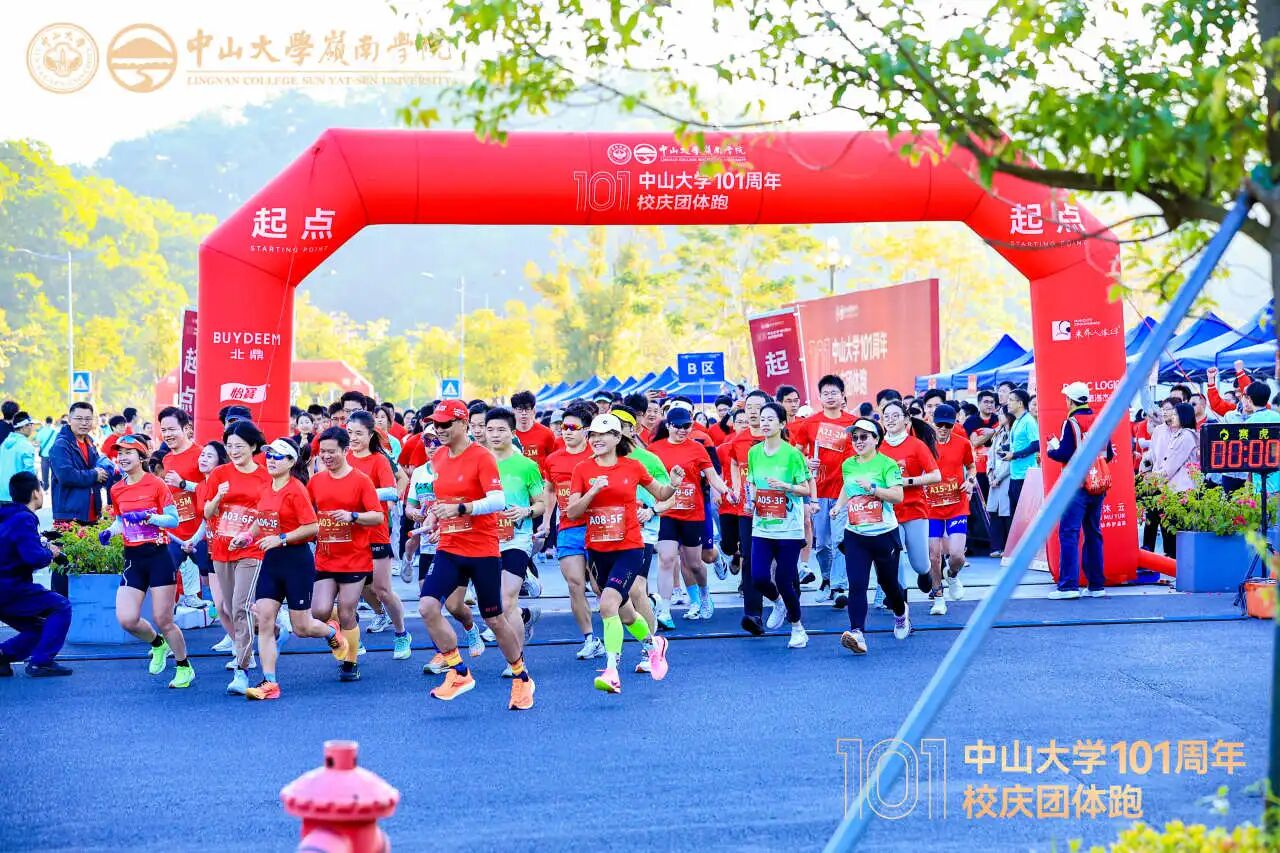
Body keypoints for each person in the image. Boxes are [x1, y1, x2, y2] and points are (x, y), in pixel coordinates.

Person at [419, 399, 534, 709]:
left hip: (482, 550)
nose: (439, 430)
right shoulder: (439, 457)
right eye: (435, 424)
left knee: (494, 618)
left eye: (445, 424)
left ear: (463, 424)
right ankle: (458, 672)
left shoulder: (482, 456)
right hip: (449, 547)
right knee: (428, 606)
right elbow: (443, 500)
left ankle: (522, 676)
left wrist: (462, 508)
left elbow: (497, 501)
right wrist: (433, 518)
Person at [566, 413, 675, 693]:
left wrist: (673, 483)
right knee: (625, 614)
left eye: (604, 434)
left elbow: (662, 493)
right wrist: (592, 491)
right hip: (598, 550)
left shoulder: (633, 466)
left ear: (617, 437)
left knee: (607, 605)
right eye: (593, 435)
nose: (597, 439)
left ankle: (612, 671)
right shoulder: (582, 469)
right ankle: (654, 644)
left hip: (629, 547)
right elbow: (572, 512)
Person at [236, 438, 348, 700]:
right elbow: (261, 518)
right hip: (271, 561)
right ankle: (270, 682)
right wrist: (247, 535)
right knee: (264, 620)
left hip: (296, 560)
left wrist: (282, 538)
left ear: (291, 461)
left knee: (302, 627)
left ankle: (331, 631)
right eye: (269, 455)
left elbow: (313, 527)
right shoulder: (266, 487)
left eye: (277, 456)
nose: (271, 460)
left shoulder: (296, 489)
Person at [103, 434, 194, 688]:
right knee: (127, 619)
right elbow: (121, 521)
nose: (122, 457)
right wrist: (110, 531)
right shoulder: (116, 489)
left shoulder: (156, 484)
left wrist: (150, 518)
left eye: (128, 452)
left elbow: (173, 520)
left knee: (163, 620)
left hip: (158, 557)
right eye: (119, 453)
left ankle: (184, 666)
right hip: (133, 558)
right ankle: (157, 643)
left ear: (141, 457)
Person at [308, 426, 385, 683]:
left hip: (354, 559)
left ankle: (350, 663)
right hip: (326, 557)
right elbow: (306, 511)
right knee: (319, 612)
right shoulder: (316, 481)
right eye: (322, 452)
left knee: (346, 611)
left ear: (345, 450)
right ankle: (336, 632)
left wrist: (352, 516)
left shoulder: (361, 480)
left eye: (332, 451)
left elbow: (377, 516)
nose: (326, 456)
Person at [202, 420, 273, 694]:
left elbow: (268, 513)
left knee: (240, 606)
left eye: (239, 446)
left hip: (251, 549)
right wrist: (218, 497)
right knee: (232, 608)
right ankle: (270, 629)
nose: (234, 451)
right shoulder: (219, 474)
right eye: (229, 446)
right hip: (222, 548)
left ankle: (241, 670)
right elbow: (207, 513)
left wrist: (249, 533)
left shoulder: (265, 476)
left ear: (253, 446)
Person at [829, 418, 911, 655]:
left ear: (876, 439)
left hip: (884, 533)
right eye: (854, 437)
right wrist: (838, 506)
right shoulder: (848, 464)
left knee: (888, 583)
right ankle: (857, 633)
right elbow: (847, 487)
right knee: (857, 584)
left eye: (864, 436)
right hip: (855, 533)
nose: (858, 441)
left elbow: (898, 496)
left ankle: (901, 613)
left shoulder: (887, 464)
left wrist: (873, 489)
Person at [649, 404, 736, 621]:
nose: (682, 430)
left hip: (692, 513)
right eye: (677, 426)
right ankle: (665, 610)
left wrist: (726, 491)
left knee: (695, 564)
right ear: (668, 426)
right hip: (667, 512)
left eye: (687, 426)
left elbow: (712, 476)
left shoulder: (697, 448)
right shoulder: (655, 449)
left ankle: (705, 594)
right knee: (666, 559)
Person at [746, 402, 814, 648]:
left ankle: (798, 628)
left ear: (782, 424)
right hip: (762, 525)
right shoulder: (754, 453)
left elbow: (805, 489)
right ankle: (778, 603)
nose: (764, 423)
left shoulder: (792, 455)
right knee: (758, 577)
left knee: (785, 580)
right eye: (762, 419)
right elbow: (752, 482)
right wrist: (751, 499)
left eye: (770, 419)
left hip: (789, 528)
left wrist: (785, 487)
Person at [540, 403, 605, 658]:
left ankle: (617, 630)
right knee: (575, 584)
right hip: (568, 528)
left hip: (597, 526)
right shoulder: (553, 459)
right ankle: (590, 639)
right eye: (562, 427)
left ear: (586, 430)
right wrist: (547, 521)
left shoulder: (598, 456)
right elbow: (549, 490)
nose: (565, 432)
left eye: (571, 427)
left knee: (600, 587)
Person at [345, 411, 411, 659]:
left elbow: (392, 491)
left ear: (371, 435)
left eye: (358, 433)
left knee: (382, 589)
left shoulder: (379, 460)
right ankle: (355, 641)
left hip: (375, 531)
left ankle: (402, 633)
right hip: (349, 534)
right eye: (349, 433)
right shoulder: (344, 458)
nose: (353, 438)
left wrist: (362, 494)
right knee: (356, 588)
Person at [484, 407, 546, 664]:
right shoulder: (478, 461)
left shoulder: (526, 466)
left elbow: (541, 503)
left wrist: (526, 511)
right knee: (492, 606)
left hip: (516, 539)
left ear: (512, 432)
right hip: (484, 539)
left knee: (507, 600)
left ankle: (517, 662)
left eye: (501, 430)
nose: (495, 434)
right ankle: (525, 617)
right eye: (490, 429)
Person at [789, 374, 856, 605]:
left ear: (843, 395)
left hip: (844, 491)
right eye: (825, 393)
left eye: (834, 392)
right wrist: (807, 461)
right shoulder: (810, 423)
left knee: (840, 540)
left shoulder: (853, 423)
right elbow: (796, 454)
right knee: (823, 543)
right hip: (817, 492)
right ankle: (826, 579)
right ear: (819, 397)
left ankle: (839, 586)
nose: (830, 397)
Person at [0, 472, 73, 677]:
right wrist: (51, 553)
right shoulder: (24, 518)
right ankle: (42, 663)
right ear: (35, 493)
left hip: (7, 588)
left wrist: (43, 546)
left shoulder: (8, 516)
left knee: (41, 628)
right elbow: (33, 558)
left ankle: (2, 655)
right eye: (40, 489)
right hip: (10, 588)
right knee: (61, 606)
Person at [1045, 382, 1114, 599]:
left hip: (1076, 486)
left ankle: (1068, 587)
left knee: (1069, 533)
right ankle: (1096, 586)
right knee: (1093, 533)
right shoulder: (1100, 420)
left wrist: (1051, 450)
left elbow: (1064, 454)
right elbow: (1109, 454)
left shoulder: (1071, 423)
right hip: (1097, 486)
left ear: (1070, 401)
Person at [877, 400, 941, 608]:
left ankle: (925, 573)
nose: (890, 420)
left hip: (914, 509)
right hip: (888, 511)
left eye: (895, 416)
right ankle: (900, 600)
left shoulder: (916, 445)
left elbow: (936, 475)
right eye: (886, 416)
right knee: (893, 557)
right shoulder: (878, 447)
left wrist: (906, 482)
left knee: (919, 563)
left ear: (906, 420)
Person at [721, 391, 769, 634]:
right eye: (748, 406)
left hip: (775, 509)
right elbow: (733, 462)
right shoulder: (738, 439)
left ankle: (789, 605)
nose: (752, 411)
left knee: (779, 561)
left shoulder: (779, 439)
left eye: (758, 407)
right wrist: (737, 488)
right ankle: (753, 614)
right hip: (747, 510)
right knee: (749, 558)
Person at [48, 401, 107, 597]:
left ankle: (80, 603)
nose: (84, 423)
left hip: (89, 513)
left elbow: (98, 471)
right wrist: (94, 475)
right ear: (69, 419)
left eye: (88, 419)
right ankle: (57, 603)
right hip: (69, 513)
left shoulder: (89, 442)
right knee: (63, 561)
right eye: (79, 418)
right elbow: (66, 475)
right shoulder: (61, 445)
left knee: (85, 561)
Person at [924, 404, 976, 612]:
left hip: (957, 505)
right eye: (940, 425)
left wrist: (970, 481)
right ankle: (938, 598)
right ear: (933, 423)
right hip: (931, 506)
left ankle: (952, 575)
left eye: (948, 425)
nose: (943, 429)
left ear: (954, 424)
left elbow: (971, 466)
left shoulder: (963, 444)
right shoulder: (924, 444)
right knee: (934, 556)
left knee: (957, 556)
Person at [156, 407, 207, 608]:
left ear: (186, 428)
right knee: (168, 577)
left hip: (199, 531)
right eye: (164, 430)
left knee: (211, 582)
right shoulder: (166, 458)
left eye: (172, 429)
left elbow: (210, 489)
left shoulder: (201, 455)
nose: (167, 434)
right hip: (175, 530)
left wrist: (183, 483)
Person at [1148, 402, 1199, 560]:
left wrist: (1153, 478)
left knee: (1175, 531)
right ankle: (1173, 564)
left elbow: (1170, 466)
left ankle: (1176, 566)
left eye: (1175, 414)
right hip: (1172, 489)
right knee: (1169, 530)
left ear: (1184, 416)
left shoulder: (1186, 436)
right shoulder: (1178, 434)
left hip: (1180, 491)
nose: (1172, 417)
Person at [1001, 389, 1039, 519]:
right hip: (1015, 474)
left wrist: (1014, 455)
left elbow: (1036, 445)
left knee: (1026, 517)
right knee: (1015, 517)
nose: (1008, 403)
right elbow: (1018, 444)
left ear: (1020, 403)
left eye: (1011, 400)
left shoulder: (1029, 421)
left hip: (1026, 475)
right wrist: (1003, 448)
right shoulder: (1017, 421)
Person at [985, 408, 1015, 557]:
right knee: (994, 512)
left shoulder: (1013, 432)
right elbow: (990, 455)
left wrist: (999, 477)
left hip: (1007, 477)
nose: (999, 416)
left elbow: (1011, 460)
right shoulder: (998, 432)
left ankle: (1008, 548)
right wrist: (990, 473)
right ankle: (996, 547)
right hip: (994, 476)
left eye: (1001, 413)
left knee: (1007, 512)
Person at [0, 413, 38, 502]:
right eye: (30, 425)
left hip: (1, 493)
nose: (32, 427)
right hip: (17, 494)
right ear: (23, 427)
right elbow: (29, 472)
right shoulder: (26, 445)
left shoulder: (4, 444)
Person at [36, 417, 57, 491]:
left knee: (45, 472)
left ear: (45, 421)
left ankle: (45, 487)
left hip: (44, 455)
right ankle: (55, 487)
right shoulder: (55, 431)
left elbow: (38, 443)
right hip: (54, 455)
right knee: (55, 472)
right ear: (52, 421)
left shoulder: (41, 431)